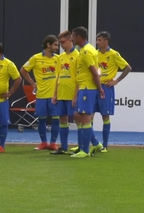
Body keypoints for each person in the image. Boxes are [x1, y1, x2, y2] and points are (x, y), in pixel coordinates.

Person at [20, 35, 60, 151]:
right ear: (48, 45)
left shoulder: (58, 59)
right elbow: (23, 70)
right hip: (41, 95)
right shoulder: (36, 58)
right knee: (41, 119)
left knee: (56, 119)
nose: (57, 47)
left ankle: (53, 143)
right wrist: (32, 83)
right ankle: (43, 143)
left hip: (54, 96)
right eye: (55, 45)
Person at [95, 31, 132, 152]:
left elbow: (127, 68)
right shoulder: (95, 54)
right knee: (88, 116)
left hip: (106, 88)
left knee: (105, 116)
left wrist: (116, 81)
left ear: (106, 41)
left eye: (99, 40)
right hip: (93, 87)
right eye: (97, 40)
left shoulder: (114, 54)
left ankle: (105, 145)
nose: (97, 42)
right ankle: (93, 143)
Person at [70, 26, 104, 158]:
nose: (72, 39)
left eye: (73, 36)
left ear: (79, 37)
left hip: (87, 88)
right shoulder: (84, 50)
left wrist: (100, 88)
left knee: (84, 118)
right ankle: (95, 143)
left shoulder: (86, 52)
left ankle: (85, 150)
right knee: (78, 116)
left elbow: (95, 72)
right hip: (84, 87)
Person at [51, 31, 79, 155]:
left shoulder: (77, 55)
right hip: (61, 92)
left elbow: (79, 77)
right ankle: (64, 146)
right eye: (60, 43)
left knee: (79, 120)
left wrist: (76, 95)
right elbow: (58, 76)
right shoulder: (61, 57)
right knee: (62, 119)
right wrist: (55, 94)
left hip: (72, 92)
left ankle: (81, 146)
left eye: (63, 42)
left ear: (70, 40)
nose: (61, 45)